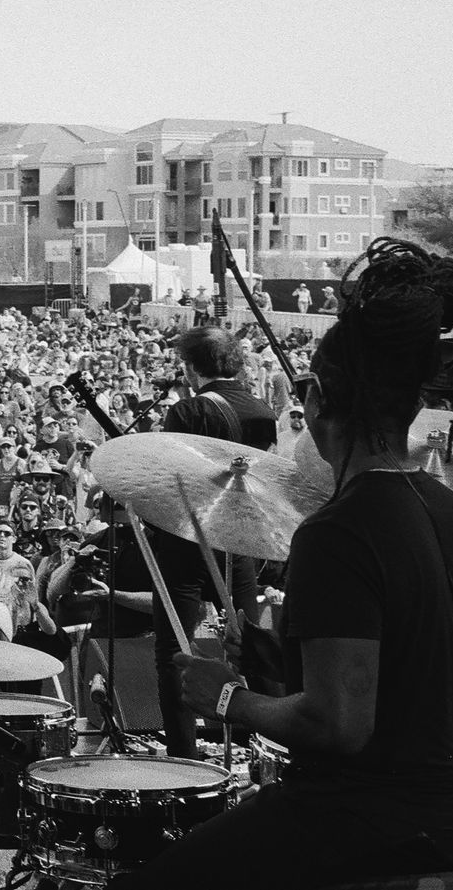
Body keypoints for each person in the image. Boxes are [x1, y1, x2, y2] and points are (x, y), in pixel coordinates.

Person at [117, 239, 453, 888]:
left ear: (317, 400)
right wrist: (271, 653)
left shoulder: (337, 532)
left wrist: (223, 692)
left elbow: (340, 723)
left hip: (370, 818)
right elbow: (412, 674)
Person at [149, 325, 275, 759]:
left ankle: (184, 755)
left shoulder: (188, 411)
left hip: (188, 541)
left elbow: (170, 484)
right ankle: (270, 743)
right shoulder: (262, 408)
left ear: (190, 367)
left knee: (175, 650)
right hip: (240, 541)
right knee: (251, 643)